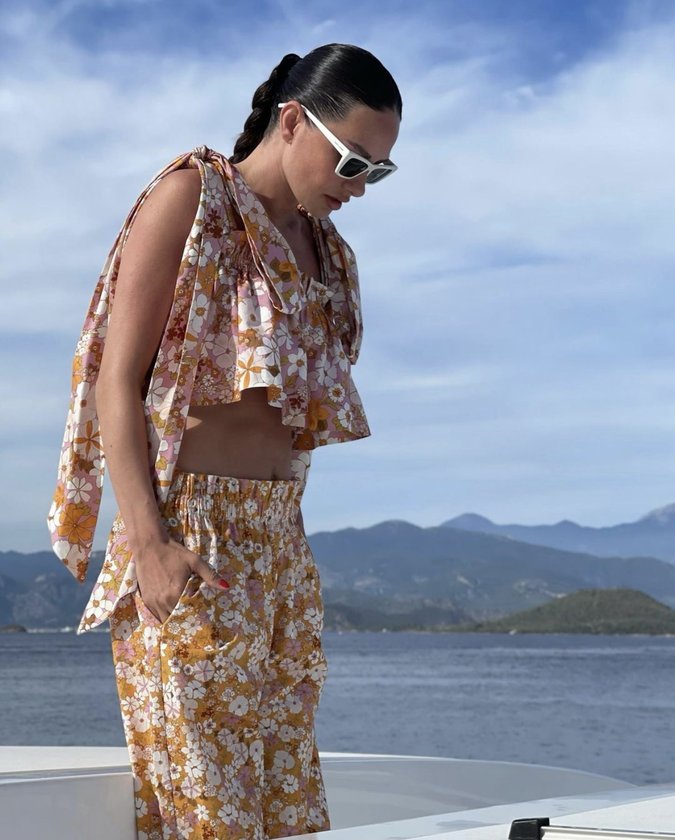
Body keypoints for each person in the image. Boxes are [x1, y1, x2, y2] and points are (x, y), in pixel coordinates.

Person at [47, 42, 401, 839]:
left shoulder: (327, 253)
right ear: (291, 121)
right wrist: (150, 546)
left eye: (377, 172)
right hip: (189, 534)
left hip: (280, 546)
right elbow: (116, 379)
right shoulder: (192, 198)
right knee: (210, 816)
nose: (358, 187)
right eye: (352, 161)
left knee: (286, 813)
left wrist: (284, 549)